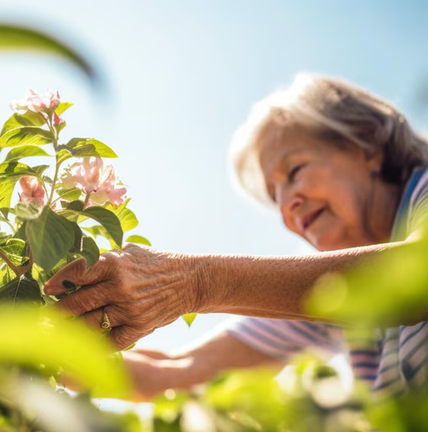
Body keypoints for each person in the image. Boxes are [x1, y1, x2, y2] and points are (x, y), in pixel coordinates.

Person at [44, 73, 428, 400]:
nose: (287, 206)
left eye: (295, 171)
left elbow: (415, 276)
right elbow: (181, 371)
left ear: (367, 144)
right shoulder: (327, 294)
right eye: (274, 196)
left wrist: (196, 282)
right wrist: (39, 354)